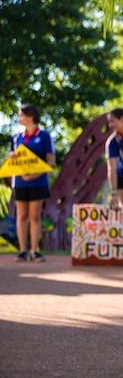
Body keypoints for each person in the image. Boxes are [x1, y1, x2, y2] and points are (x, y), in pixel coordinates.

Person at [10, 104, 55, 262]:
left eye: (21, 115)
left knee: (34, 216)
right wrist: (12, 158)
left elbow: (51, 160)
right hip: (20, 182)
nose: (19, 118)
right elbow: (12, 156)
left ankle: (35, 251)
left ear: (31, 116)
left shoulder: (44, 136)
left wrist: (35, 174)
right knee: (22, 215)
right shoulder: (16, 137)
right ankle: (23, 251)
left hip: (38, 181)